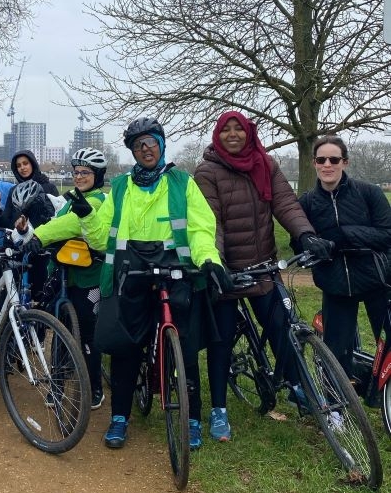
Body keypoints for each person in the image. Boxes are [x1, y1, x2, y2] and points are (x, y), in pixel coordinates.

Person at [68, 117, 232, 450]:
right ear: (132, 151)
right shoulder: (121, 187)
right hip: (131, 273)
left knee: (184, 349)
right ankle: (120, 418)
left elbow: (201, 229)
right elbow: (103, 239)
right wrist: (87, 215)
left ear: (161, 144)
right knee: (126, 349)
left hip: (176, 271)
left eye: (151, 142)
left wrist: (209, 260)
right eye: (139, 145)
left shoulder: (182, 182)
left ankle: (192, 419)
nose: (146, 150)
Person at [193, 110, 332, 443]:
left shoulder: (265, 164)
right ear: (217, 134)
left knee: (282, 327)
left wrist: (305, 234)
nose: (232, 134)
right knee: (222, 341)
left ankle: (298, 388)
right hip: (226, 272)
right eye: (225, 129)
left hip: (263, 266)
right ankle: (219, 411)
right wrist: (217, 263)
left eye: (238, 129)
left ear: (248, 132)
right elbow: (211, 222)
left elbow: (285, 202)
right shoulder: (207, 171)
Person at [296, 135, 391, 390]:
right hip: (335, 282)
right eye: (321, 159)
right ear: (314, 163)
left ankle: (381, 393)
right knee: (336, 350)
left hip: (376, 279)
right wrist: (312, 244)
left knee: (389, 342)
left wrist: (343, 235)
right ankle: (336, 406)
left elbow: (387, 234)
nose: (328, 164)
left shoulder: (369, 193)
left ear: (344, 162)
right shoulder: (306, 202)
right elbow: (299, 242)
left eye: (334, 159)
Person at [20, 148, 108, 410]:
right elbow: (57, 219)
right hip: (62, 274)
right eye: (76, 172)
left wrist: (39, 237)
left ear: (98, 175)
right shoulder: (71, 199)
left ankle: (94, 388)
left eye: (85, 172)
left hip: (88, 278)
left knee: (89, 334)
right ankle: (58, 384)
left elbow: (70, 224)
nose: (79, 176)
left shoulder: (98, 201)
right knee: (60, 331)